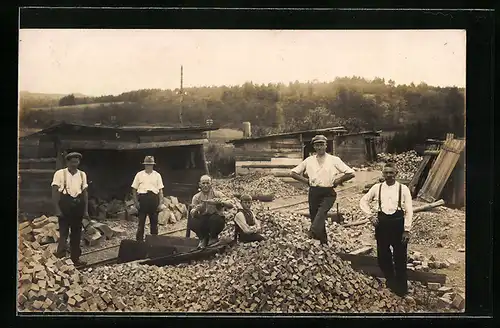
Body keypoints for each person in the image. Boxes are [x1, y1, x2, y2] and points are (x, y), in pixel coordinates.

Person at [359, 163, 413, 297]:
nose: (388, 175)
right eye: (386, 173)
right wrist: (370, 216)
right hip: (382, 225)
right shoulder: (377, 188)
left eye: (391, 173)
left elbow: (409, 210)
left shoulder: (403, 188)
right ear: (382, 174)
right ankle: (391, 282)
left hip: (398, 225)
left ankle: (401, 290)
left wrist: (406, 229)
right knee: (383, 256)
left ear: (396, 173)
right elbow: (363, 201)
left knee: (400, 257)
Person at [291, 134, 355, 245]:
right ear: (314, 147)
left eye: (322, 145)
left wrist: (338, 181)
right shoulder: (309, 160)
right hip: (314, 192)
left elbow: (351, 173)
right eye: (317, 145)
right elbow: (293, 173)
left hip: (328, 192)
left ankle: (311, 232)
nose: (320, 147)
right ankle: (323, 243)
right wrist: (306, 181)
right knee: (315, 217)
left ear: (326, 146)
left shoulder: (334, 160)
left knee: (321, 214)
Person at [51, 152, 89, 266]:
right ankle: (60, 259)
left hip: (78, 206)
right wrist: (57, 209)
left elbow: (85, 193)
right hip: (65, 205)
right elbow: (54, 192)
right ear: (67, 162)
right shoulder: (60, 174)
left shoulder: (82, 175)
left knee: (76, 233)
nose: (74, 164)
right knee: (63, 233)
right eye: (72, 162)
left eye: (76, 162)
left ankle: (75, 259)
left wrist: (85, 210)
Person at [189, 175, 233, 248]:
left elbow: (231, 204)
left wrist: (220, 202)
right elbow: (192, 213)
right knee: (193, 222)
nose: (205, 185)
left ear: (211, 184)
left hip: (215, 219)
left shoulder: (217, 194)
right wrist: (197, 209)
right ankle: (203, 238)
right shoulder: (196, 197)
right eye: (203, 183)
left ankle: (213, 237)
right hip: (204, 220)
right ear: (200, 184)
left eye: (207, 183)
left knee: (215, 219)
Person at [131, 156, 165, 242]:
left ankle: (154, 242)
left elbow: (160, 191)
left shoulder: (157, 175)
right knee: (141, 224)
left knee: (154, 224)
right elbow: (134, 189)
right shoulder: (139, 175)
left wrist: (160, 203)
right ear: (144, 165)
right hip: (143, 200)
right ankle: (139, 243)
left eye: (151, 165)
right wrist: (136, 203)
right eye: (147, 165)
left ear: (153, 165)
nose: (149, 167)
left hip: (154, 200)